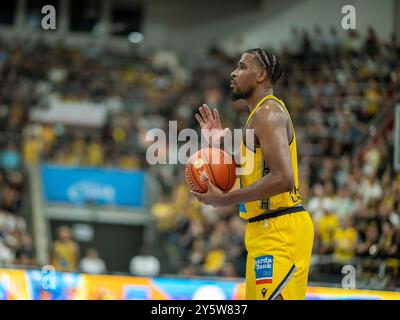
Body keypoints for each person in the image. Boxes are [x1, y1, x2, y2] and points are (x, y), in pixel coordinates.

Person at [192, 48, 314, 300]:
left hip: (279, 229)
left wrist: (225, 199)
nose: (233, 73)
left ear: (261, 76)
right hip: (263, 229)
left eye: (242, 67)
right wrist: (220, 146)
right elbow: (252, 173)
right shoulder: (256, 116)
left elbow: (284, 178)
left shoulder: (267, 113)